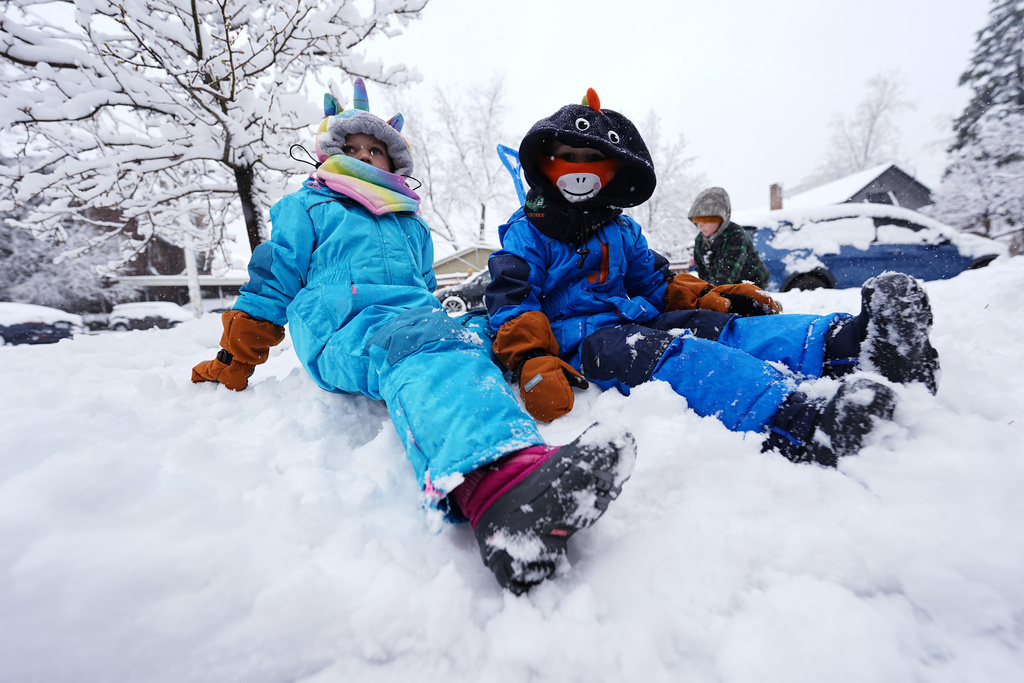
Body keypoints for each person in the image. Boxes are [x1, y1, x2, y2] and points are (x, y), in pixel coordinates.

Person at [190, 79, 635, 595]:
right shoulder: (309, 207)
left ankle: (530, 412)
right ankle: (497, 486)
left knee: (477, 332)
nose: (363, 155)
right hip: (345, 326)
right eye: (350, 147)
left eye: (374, 149)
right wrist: (234, 357)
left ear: (392, 160)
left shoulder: (411, 223)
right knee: (424, 342)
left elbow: (423, 290)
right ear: (329, 154)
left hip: (412, 319)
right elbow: (273, 279)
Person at [485, 88, 940, 467]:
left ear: (614, 171)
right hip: (585, 344)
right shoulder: (527, 233)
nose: (580, 166)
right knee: (676, 353)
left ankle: (853, 344)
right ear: (546, 163)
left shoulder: (621, 230)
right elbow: (512, 300)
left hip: (632, 318)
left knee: (716, 328)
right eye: (569, 155)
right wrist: (529, 360)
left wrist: (712, 298)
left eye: (592, 156)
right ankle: (794, 418)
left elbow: (657, 283)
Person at [688, 186, 770, 288]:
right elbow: (702, 270)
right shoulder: (700, 240)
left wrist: (714, 293)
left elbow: (728, 272)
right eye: (697, 221)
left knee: (741, 300)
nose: (700, 226)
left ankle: (766, 304)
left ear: (721, 219)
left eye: (705, 221)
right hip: (726, 283)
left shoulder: (736, 236)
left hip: (751, 282)